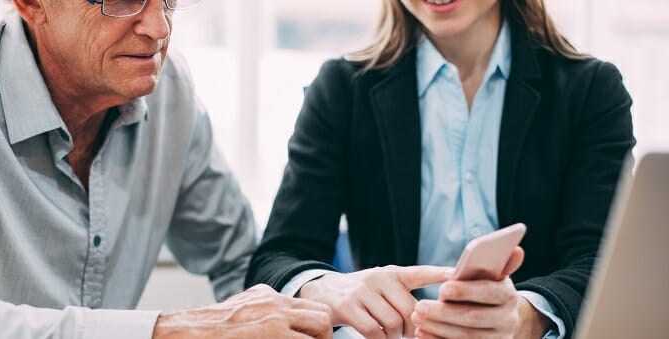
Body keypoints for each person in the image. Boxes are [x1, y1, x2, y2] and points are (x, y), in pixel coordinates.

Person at [0, 0, 334, 338]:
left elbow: (240, 264)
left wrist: (326, 299)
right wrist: (165, 331)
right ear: (31, 5)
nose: (157, 26)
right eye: (122, 0)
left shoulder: (169, 91)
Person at [246, 0, 635, 338]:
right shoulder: (342, 90)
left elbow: (603, 262)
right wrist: (323, 287)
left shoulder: (591, 91)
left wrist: (525, 318)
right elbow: (276, 259)